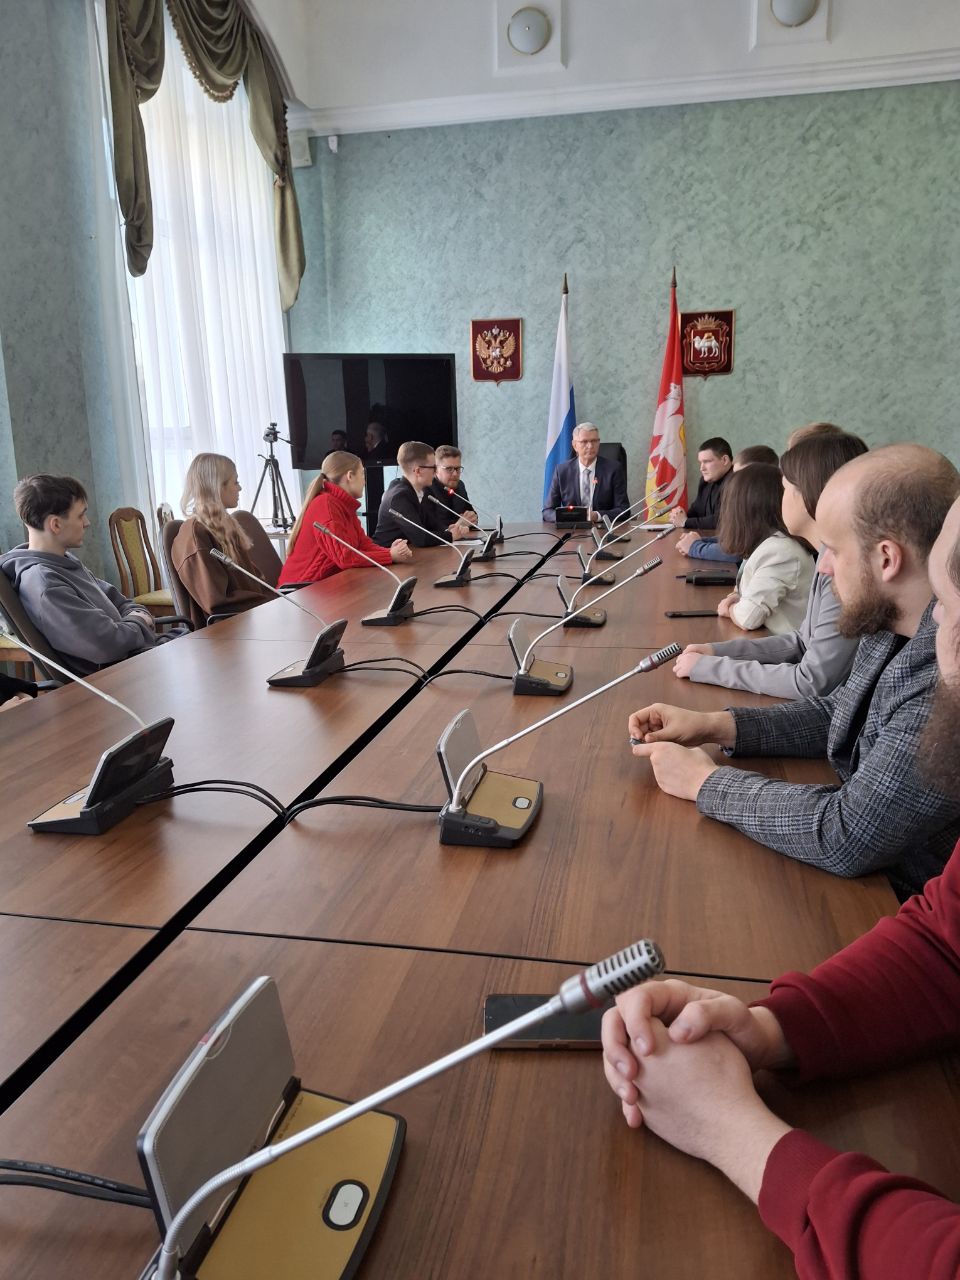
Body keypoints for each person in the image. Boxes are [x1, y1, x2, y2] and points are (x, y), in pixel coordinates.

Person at [602, 491, 960, 1280]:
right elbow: (947, 944)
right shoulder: (905, 640)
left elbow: (852, 833)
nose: (942, 644)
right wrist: (772, 1029)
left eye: (954, 613)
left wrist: (734, 1133)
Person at [628, 444, 960, 898]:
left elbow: (848, 835)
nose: (822, 565)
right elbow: (840, 712)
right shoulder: (891, 623)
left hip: (896, 900)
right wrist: (715, 725)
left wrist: (704, 781)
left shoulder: (945, 673)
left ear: (886, 559)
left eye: (834, 549)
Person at [674, 430, 868, 698]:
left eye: (784, 489)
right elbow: (801, 642)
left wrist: (711, 667)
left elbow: (812, 682)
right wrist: (717, 651)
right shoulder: (826, 554)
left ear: (810, 496)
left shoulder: (842, 569)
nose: (778, 499)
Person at [1, 474, 169, 675]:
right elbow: (106, 645)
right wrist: (140, 621)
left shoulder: (64, 561)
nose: (87, 522)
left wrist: (135, 617)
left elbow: (121, 602)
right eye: (80, 516)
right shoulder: (45, 583)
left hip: (140, 657)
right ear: (56, 524)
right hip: (122, 674)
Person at [705, 463, 815, 634]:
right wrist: (736, 597)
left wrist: (729, 609)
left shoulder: (780, 551)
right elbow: (750, 589)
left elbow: (748, 617)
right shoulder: (768, 543)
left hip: (782, 647)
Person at [171, 453, 275, 627]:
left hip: (250, 620)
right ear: (218, 486)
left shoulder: (224, 526)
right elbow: (218, 603)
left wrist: (278, 603)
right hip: (229, 631)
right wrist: (271, 605)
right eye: (235, 482)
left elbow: (254, 583)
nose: (240, 488)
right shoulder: (196, 534)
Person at [280, 451, 411, 585]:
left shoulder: (343, 504)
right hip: (299, 590)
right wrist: (390, 556)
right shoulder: (326, 504)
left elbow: (363, 544)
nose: (364, 481)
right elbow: (345, 557)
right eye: (362, 474)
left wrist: (390, 552)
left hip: (325, 585)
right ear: (350, 476)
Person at [678, 444, 781, 563]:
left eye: (741, 476)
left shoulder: (767, 507)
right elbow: (737, 540)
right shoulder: (748, 501)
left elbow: (740, 551)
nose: (734, 482)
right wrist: (701, 541)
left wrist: (695, 547)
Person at [372, 441, 472, 547]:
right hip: (387, 554)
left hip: (410, 552)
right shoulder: (400, 496)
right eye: (433, 467)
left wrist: (449, 530)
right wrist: (450, 536)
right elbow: (421, 538)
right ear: (418, 471)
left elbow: (430, 524)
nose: (435, 472)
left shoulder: (417, 491)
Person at [542, 423, 629, 523]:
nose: (590, 446)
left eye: (594, 441)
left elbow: (623, 510)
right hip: (571, 529)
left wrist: (597, 515)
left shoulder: (613, 469)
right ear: (575, 445)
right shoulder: (562, 471)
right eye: (584, 441)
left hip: (602, 528)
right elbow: (547, 511)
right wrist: (567, 517)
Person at [669, 437, 733, 531]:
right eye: (701, 462)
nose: (701, 468)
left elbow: (723, 520)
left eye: (706, 462)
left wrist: (685, 522)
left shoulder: (739, 483)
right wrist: (679, 515)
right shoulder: (705, 482)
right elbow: (696, 510)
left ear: (725, 460)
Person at [431, 445, 479, 526]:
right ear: (435, 469)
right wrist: (458, 524)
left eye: (458, 469)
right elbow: (430, 527)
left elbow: (471, 515)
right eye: (449, 469)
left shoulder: (460, 485)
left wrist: (472, 517)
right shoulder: (426, 489)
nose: (455, 474)